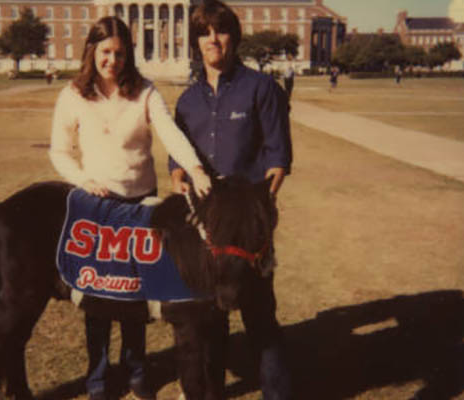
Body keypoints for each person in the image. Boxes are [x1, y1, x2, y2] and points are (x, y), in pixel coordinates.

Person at [49, 16, 211, 400]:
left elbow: (170, 131)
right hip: (97, 206)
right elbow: (59, 150)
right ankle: (98, 378)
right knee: (98, 295)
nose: (113, 60)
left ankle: (137, 371)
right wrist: (82, 180)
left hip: (140, 204)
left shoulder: (144, 91)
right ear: (92, 51)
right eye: (106, 52)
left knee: (137, 294)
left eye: (120, 53)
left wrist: (195, 167)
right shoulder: (73, 95)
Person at [168, 1, 292, 398]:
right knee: (210, 317)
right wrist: (176, 173)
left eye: (220, 31)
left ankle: (276, 393)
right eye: (204, 33)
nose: (212, 40)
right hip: (209, 231)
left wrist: (257, 213)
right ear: (196, 41)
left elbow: (278, 157)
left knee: (260, 318)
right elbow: (178, 152)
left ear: (233, 38)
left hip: (249, 229)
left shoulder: (262, 89)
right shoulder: (187, 101)